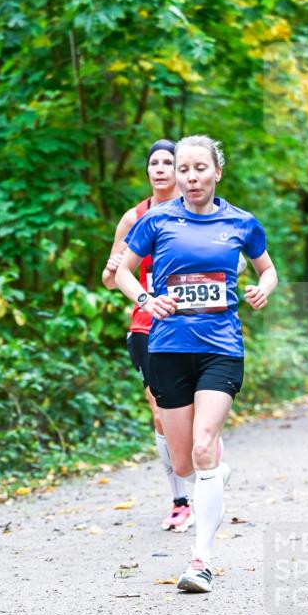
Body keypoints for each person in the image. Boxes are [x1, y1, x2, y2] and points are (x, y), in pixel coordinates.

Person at [115, 134, 278, 593]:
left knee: (206, 446)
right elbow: (124, 271)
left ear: (216, 172)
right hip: (167, 347)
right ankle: (211, 477)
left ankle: (201, 561)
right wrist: (147, 299)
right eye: (183, 169)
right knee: (185, 463)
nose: (190, 177)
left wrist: (265, 286)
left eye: (199, 168)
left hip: (221, 346)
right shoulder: (155, 220)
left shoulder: (241, 222)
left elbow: (267, 267)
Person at [102, 140, 194, 531]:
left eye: (167, 163)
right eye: (153, 163)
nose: (159, 169)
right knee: (159, 410)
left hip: (192, 321)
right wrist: (111, 268)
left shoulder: (196, 211)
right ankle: (181, 499)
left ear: (179, 170)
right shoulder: (133, 217)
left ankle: (204, 466)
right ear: (147, 171)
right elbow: (110, 280)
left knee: (192, 410)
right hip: (146, 323)